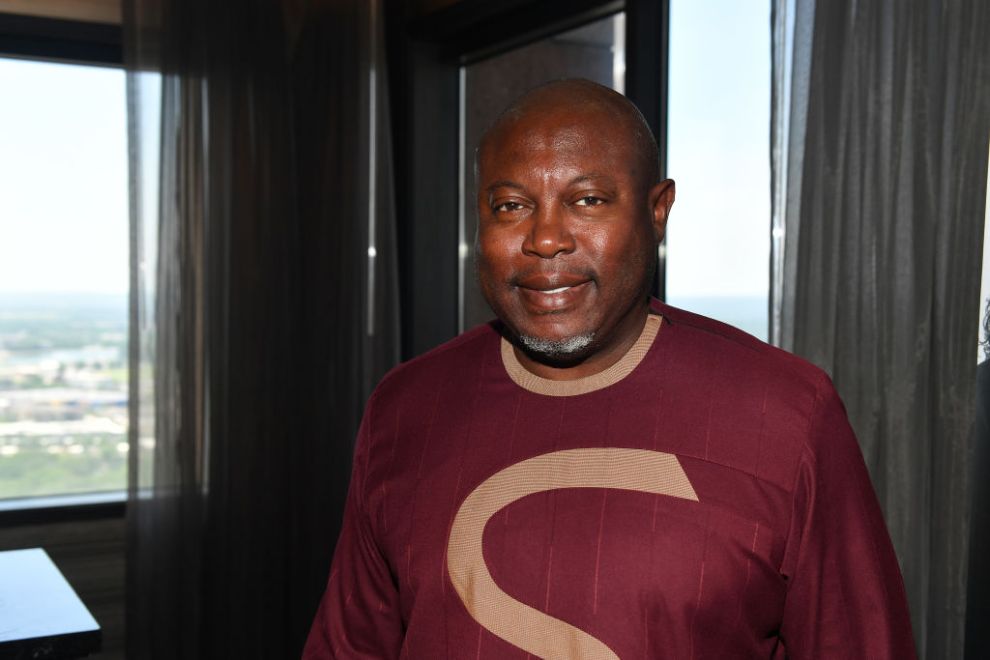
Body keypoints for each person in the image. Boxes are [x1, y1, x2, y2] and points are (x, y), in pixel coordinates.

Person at [302, 79, 915, 659]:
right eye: (511, 205)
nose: (545, 239)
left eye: (587, 200)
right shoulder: (408, 407)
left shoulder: (785, 414)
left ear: (658, 210)